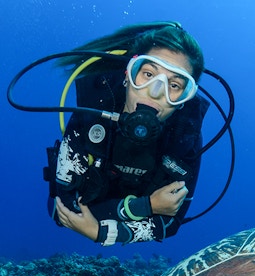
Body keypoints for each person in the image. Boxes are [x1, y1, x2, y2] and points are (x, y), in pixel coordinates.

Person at [49, 22, 208, 246]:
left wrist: (101, 231)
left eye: (174, 86)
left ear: (184, 100)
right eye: (148, 73)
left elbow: (170, 224)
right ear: (128, 75)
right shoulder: (94, 111)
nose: (155, 92)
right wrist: (146, 207)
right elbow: (62, 210)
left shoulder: (184, 137)